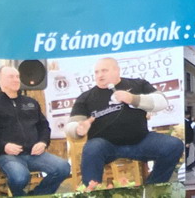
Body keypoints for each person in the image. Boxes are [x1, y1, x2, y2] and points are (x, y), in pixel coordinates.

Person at [66, 56, 184, 184]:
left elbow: (162, 102)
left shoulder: (138, 84)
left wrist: (133, 99)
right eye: (96, 72)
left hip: (140, 141)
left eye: (104, 70)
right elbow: (71, 125)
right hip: (106, 146)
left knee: (174, 145)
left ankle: (153, 187)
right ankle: (92, 190)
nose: (100, 75)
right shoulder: (85, 97)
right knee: (91, 149)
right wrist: (77, 129)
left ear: (117, 70)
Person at [0, 64, 71, 195]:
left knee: (63, 168)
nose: (16, 79)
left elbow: (44, 126)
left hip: (35, 155)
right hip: (8, 156)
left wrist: (42, 142)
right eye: (11, 77)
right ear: (0, 80)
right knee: (20, 178)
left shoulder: (31, 102)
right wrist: (4, 146)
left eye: (17, 76)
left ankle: (37, 195)